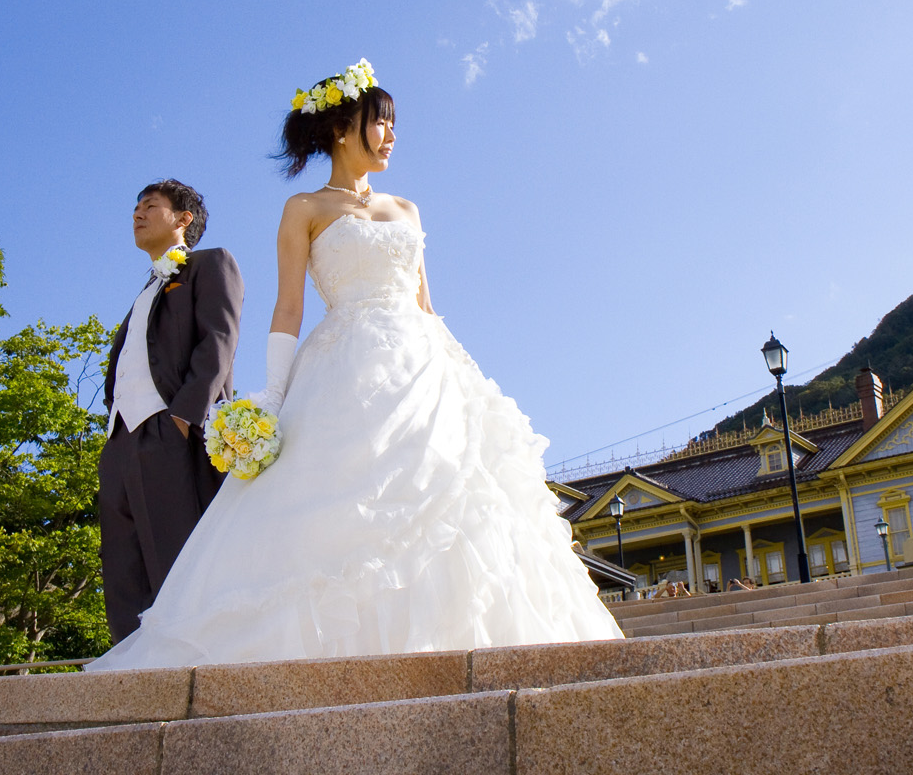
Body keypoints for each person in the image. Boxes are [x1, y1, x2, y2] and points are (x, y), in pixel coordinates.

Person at [89, 61, 622, 669]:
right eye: (382, 123)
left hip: (425, 369)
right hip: (341, 366)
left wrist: (460, 376)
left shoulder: (409, 210)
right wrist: (271, 397)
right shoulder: (304, 208)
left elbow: (426, 305)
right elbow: (288, 309)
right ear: (345, 127)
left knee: (460, 502)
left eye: (393, 126)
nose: (391, 136)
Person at [98, 179, 244, 645]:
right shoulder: (145, 289)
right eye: (135, 206)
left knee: (178, 562)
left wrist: (183, 419)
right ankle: (129, 673)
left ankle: (190, 663)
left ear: (183, 219)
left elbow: (218, 341)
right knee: (123, 573)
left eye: (150, 205)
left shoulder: (209, 264)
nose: (137, 214)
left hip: (173, 434)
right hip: (121, 442)